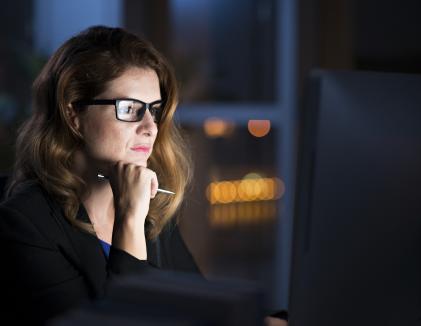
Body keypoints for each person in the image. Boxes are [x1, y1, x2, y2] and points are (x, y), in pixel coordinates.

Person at [0, 25, 287, 325]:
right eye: (129, 108)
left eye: (154, 110)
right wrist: (130, 218)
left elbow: (203, 310)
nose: (150, 127)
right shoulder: (24, 226)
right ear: (74, 115)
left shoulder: (151, 210)